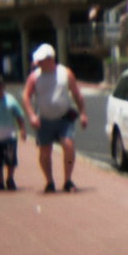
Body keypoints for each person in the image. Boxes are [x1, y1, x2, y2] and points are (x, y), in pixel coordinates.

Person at [22, 43, 88, 193]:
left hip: (64, 116)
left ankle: (68, 180)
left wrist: (83, 113)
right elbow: (26, 96)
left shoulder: (65, 73)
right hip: (44, 118)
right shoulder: (34, 77)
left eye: (40, 61)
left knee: (68, 145)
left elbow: (77, 94)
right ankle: (49, 181)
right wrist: (32, 115)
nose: (37, 64)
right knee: (45, 151)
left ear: (50, 59)